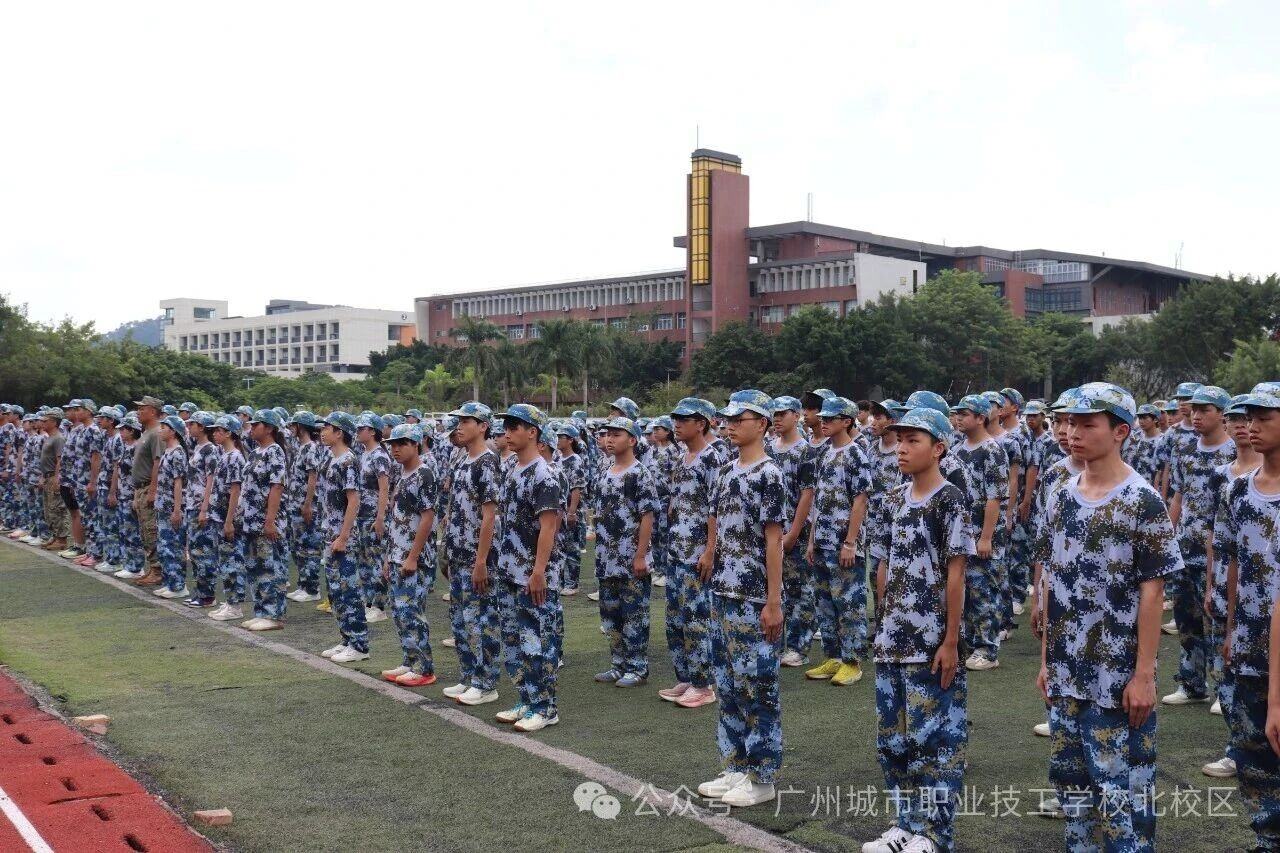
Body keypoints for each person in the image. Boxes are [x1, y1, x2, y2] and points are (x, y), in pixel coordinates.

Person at [1038, 382, 1180, 852]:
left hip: (1116, 675)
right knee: (1072, 785)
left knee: (1122, 794)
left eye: (1087, 424)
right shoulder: (1060, 495)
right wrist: (1046, 662)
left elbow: (1152, 593)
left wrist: (1144, 675)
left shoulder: (1142, 500)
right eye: (1069, 423)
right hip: (1067, 670)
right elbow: (1054, 580)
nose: (1073, 432)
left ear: (1120, 432)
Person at [864, 406, 973, 853]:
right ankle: (904, 824)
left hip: (930, 641)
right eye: (900, 440)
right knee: (893, 740)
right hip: (892, 638)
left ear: (939, 448)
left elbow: (956, 574)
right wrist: (882, 623)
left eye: (914, 441)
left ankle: (934, 834)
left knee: (935, 742)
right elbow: (883, 565)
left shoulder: (950, 500)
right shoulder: (891, 499)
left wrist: (951, 640)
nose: (902, 449)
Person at [696, 389, 787, 808]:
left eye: (740, 419)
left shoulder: (769, 474)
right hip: (724, 592)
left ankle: (762, 776)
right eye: (728, 419)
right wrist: (709, 553)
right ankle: (734, 765)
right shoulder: (726, 471)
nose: (730, 426)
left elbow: (774, 541)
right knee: (729, 684)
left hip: (754, 597)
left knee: (758, 686)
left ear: (762, 424)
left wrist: (773, 601)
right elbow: (716, 522)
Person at [1214, 391, 1280, 851]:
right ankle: (1267, 837)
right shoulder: (1238, 489)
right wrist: (1231, 627)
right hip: (1252, 639)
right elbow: (1233, 560)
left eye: (1264, 418)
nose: (1251, 426)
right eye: (1248, 418)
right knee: (1253, 753)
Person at [492, 404, 562, 733]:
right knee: (513, 642)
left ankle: (545, 707)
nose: (507, 432)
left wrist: (539, 571)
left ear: (532, 432)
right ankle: (527, 698)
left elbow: (548, 527)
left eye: (514, 427)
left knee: (537, 642)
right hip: (509, 570)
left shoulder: (544, 474)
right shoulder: (511, 468)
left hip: (531, 573)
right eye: (506, 427)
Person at [1165, 385, 1235, 707]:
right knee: (1186, 618)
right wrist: (1168, 538)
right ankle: (1192, 684)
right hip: (1186, 547)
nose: (1196, 415)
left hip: (1218, 551)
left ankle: (1223, 689)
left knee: (1217, 620)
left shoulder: (1234, 452)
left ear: (1222, 414)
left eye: (1204, 410)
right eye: (1194, 409)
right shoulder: (1184, 449)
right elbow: (1177, 497)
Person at [804, 396, 871, 687]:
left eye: (830, 419)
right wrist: (811, 540)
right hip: (822, 541)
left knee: (849, 603)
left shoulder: (856, 454)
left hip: (843, 542)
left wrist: (851, 542)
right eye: (823, 418)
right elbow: (817, 501)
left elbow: (860, 500)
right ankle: (833, 656)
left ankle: (852, 661)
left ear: (846, 421)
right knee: (824, 602)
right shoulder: (824, 453)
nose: (824, 423)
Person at [441, 402, 503, 707]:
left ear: (483, 427)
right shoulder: (463, 460)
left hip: (477, 557)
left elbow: (489, 516)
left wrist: (481, 561)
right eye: (459, 421)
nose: (460, 426)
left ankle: (485, 682)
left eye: (466, 421)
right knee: (461, 620)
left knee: (481, 621)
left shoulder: (487, 462)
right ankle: (469, 675)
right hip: (459, 553)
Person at [662, 397, 724, 706]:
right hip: (677, 550)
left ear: (701, 424)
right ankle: (686, 677)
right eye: (675, 419)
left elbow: (716, 509)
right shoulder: (681, 457)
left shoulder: (712, 459)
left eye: (684, 420)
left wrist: (710, 550)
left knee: (697, 619)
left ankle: (703, 684)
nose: (677, 425)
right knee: (676, 619)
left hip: (697, 552)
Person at [592, 416, 659, 690]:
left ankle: (637, 667)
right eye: (608, 434)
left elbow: (647, 516)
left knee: (634, 615)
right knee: (611, 616)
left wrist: (641, 555)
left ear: (632, 440)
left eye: (616, 435)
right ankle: (618, 664)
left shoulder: (639, 474)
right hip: (606, 558)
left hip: (630, 558)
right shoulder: (605, 471)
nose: (609, 439)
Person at [950, 394, 1009, 671]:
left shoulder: (993, 450)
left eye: (964, 414)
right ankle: (971, 645)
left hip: (984, 534)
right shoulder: (958, 449)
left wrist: (986, 537)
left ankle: (987, 650)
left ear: (980, 418)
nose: (959, 419)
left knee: (984, 591)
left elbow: (995, 498)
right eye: (957, 414)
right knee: (965, 591)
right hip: (962, 533)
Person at [379, 423, 439, 688]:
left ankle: (424, 668)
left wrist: (413, 556)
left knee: (413, 612)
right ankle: (409, 660)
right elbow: (397, 520)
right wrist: (388, 557)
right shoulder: (401, 474)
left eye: (401, 444)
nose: (395, 449)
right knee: (400, 612)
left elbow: (427, 518)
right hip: (397, 554)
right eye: (393, 444)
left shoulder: (424, 475)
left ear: (416, 444)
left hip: (415, 558)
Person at [769, 395, 817, 668]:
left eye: (782, 414)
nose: (777, 418)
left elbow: (807, 494)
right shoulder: (768, 448)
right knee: (775, 587)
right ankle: (776, 641)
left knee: (799, 590)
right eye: (774, 414)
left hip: (795, 531)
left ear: (796, 416)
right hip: (771, 530)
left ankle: (799, 646)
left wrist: (794, 533)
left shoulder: (805, 451)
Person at [317, 411, 367, 659]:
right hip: (330, 534)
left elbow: (353, 500)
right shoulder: (330, 459)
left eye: (327, 428)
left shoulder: (348, 460)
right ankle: (346, 638)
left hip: (342, 537)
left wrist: (344, 537)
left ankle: (359, 645)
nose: (322, 432)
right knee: (336, 591)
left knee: (349, 591)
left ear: (339, 433)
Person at [238, 409, 289, 631]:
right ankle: (260, 610)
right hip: (251, 520)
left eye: (256, 425)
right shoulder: (254, 453)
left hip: (265, 520)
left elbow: (276, 487)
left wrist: (270, 520)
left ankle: (273, 614)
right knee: (254, 567)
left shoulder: (275, 451)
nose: (251, 428)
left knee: (270, 567)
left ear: (268, 428)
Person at [206, 416, 248, 621]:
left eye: (219, 430)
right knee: (224, 560)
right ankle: (230, 601)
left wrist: (230, 521)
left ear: (230, 433)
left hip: (227, 517)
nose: (215, 434)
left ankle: (235, 605)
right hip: (220, 516)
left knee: (231, 561)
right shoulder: (225, 455)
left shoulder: (235, 457)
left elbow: (235, 491)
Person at [354, 413, 393, 623]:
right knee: (364, 561)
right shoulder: (363, 453)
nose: (358, 432)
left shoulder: (379, 455)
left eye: (361, 429)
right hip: (361, 515)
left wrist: (380, 518)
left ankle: (379, 605)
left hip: (373, 516)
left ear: (372, 432)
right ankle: (368, 602)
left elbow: (384, 489)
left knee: (377, 560)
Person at [285, 412, 324, 604]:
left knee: (309, 547)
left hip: (305, 506)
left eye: (294, 425)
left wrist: (308, 504)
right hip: (296, 505)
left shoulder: (311, 448)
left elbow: (312, 477)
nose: (291, 429)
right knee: (298, 547)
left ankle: (312, 588)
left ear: (301, 426)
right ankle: (303, 584)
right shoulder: (302, 447)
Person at [183, 412, 220, 607]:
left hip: (201, 507)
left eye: (193, 424)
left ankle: (207, 595)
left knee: (204, 551)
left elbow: (211, 480)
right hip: (192, 505)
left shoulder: (210, 450)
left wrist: (204, 508)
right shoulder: (197, 447)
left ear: (202, 427)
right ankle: (199, 592)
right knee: (195, 552)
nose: (189, 427)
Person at [129, 396, 166, 584]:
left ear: (152, 411)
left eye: (142, 409)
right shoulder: (147, 433)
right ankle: (153, 567)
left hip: (148, 488)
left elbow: (158, 463)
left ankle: (158, 570)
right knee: (145, 530)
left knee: (151, 529)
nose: (138, 412)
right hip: (140, 488)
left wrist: (153, 490)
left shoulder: (156, 433)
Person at [153, 415, 190, 600]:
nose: (160, 430)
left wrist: (177, 510)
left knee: (174, 546)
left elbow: (178, 483)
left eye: (164, 427)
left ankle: (178, 585)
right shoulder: (168, 451)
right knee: (164, 546)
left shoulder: (177, 453)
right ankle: (169, 582)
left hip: (171, 506)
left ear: (173, 431)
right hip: (163, 505)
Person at [555, 423, 587, 597]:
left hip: (571, 510)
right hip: (560, 510)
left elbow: (576, 489)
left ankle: (572, 583)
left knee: (572, 548)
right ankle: (562, 582)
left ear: (570, 440)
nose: (558, 440)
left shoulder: (575, 460)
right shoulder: (558, 458)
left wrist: (572, 512)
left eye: (561, 437)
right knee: (561, 546)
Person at [38, 408, 69, 552]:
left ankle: (62, 539)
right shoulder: (49, 437)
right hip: (47, 477)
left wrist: (57, 478)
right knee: (48, 509)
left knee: (57, 508)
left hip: (53, 477)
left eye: (46, 421)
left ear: (54, 422)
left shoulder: (58, 438)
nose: (43, 423)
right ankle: (55, 536)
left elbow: (60, 460)